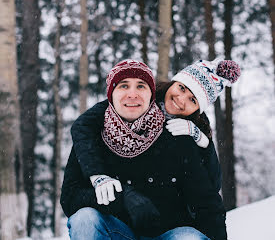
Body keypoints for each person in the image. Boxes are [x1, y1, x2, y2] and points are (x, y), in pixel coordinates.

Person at [61, 59, 240, 239]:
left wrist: (205, 144)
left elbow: (208, 195)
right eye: (182, 88)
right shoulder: (93, 132)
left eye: (140, 86)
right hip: (118, 230)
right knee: (84, 219)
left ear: (150, 94)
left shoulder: (181, 134)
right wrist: (120, 196)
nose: (181, 99)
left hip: (167, 231)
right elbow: (71, 195)